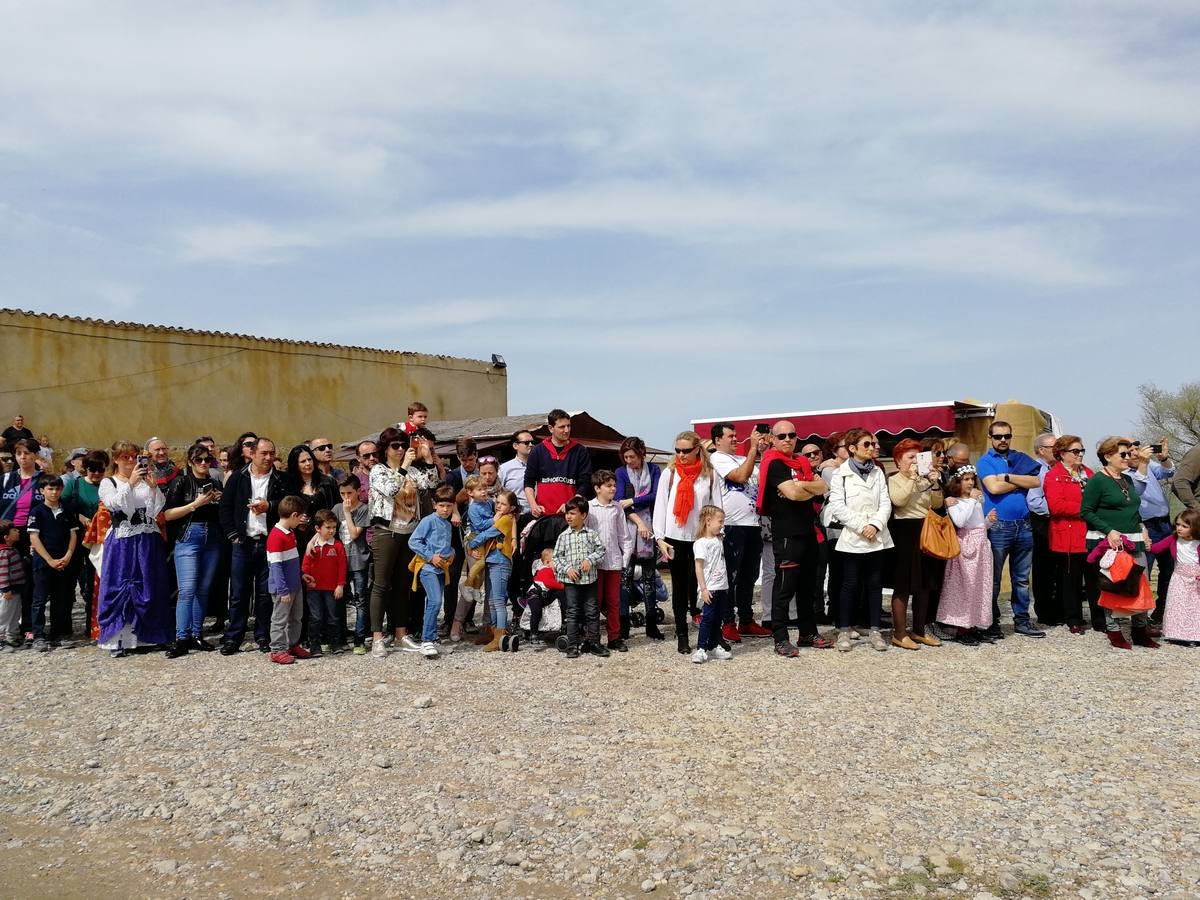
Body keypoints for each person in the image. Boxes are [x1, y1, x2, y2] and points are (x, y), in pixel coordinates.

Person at [756, 421, 831, 657]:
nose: (787, 439)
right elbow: (795, 493)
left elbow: (824, 486)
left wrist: (800, 484)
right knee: (785, 587)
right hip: (787, 533)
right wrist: (803, 487)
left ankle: (808, 633)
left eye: (792, 435)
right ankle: (780, 638)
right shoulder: (774, 462)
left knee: (807, 587)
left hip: (808, 531)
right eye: (782, 436)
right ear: (774, 439)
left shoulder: (801, 462)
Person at [1081, 436, 1158, 650]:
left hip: (1134, 540)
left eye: (1129, 453)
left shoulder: (1127, 479)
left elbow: (1133, 509)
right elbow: (1085, 511)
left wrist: (1143, 530)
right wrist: (1109, 531)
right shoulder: (1097, 480)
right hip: (1111, 542)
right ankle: (1113, 631)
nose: (1128, 457)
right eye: (1122, 454)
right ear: (1108, 456)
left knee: (1140, 583)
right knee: (1114, 585)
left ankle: (1140, 631)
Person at [96, 441, 172, 657]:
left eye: (134, 456)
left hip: (147, 537)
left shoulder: (145, 481)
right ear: (116, 459)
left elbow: (157, 508)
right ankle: (118, 640)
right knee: (122, 584)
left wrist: (153, 487)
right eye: (126, 457)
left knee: (148, 583)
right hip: (123, 540)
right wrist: (129, 483)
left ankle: (148, 637)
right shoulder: (108, 482)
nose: (130, 460)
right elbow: (116, 505)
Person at [368, 427, 438, 655]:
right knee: (381, 584)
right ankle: (377, 637)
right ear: (385, 449)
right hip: (386, 532)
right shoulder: (378, 470)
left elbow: (431, 484)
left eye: (402, 445)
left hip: (409, 532)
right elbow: (390, 489)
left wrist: (427, 459)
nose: (400, 450)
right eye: (395, 446)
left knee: (402, 586)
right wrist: (404, 467)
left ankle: (400, 634)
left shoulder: (414, 471)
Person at [653, 431, 723, 654]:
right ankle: (682, 633)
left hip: (701, 538)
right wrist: (659, 537)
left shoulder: (709, 474)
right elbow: (661, 506)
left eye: (686, 450)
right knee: (681, 588)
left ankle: (713, 633)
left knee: (708, 586)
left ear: (697, 450)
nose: (681, 455)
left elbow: (717, 507)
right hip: (675, 538)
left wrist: (719, 534)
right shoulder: (671, 473)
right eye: (677, 450)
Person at [824, 428, 892, 653]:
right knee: (849, 584)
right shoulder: (839, 474)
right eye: (867, 444)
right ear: (852, 448)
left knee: (875, 584)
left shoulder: (878, 473)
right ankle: (844, 628)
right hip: (853, 536)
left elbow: (885, 503)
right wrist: (862, 526)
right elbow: (838, 506)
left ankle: (874, 630)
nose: (872, 448)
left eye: (872, 444)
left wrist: (875, 525)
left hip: (876, 536)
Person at [218, 437, 288, 655]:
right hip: (243, 543)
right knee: (239, 593)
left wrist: (271, 506)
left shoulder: (279, 478)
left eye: (272, 453)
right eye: (264, 453)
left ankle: (263, 635)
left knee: (266, 594)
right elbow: (225, 508)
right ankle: (234, 636)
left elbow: (289, 503)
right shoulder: (238, 477)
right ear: (253, 453)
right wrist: (232, 535)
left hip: (269, 543)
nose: (268, 458)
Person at [977, 421, 1045, 639]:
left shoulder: (1020, 457)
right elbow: (993, 488)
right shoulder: (986, 461)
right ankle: (991, 621)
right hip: (999, 526)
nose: (1003, 440)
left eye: (1007, 436)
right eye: (998, 436)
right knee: (994, 578)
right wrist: (1020, 481)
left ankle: (1022, 620)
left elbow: (1035, 481)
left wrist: (1007, 477)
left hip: (1024, 524)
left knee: (1022, 578)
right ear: (990, 438)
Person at [708, 422, 772, 643]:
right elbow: (740, 477)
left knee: (749, 576)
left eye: (736, 435)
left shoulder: (743, 458)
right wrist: (753, 449)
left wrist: (764, 453)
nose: (736, 439)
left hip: (753, 523)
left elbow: (762, 480)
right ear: (717, 440)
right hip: (732, 524)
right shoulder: (717, 458)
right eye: (730, 436)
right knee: (730, 576)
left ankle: (745, 619)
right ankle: (727, 622)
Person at [162, 444, 224, 657]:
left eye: (208, 460)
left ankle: (197, 634)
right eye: (199, 460)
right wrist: (195, 504)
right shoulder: (181, 482)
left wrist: (220, 501)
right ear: (190, 462)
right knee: (186, 589)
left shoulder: (214, 482)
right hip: (189, 537)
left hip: (213, 537)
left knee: (203, 589)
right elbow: (167, 514)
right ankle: (181, 637)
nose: (204, 464)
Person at [886, 438, 945, 650]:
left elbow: (936, 503)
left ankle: (919, 630)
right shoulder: (893, 479)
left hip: (925, 529)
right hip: (904, 532)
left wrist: (935, 482)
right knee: (903, 585)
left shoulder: (923, 479)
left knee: (925, 584)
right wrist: (911, 478)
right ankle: (899, 633)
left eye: (916, 457)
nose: (913, 462)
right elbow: (899, 501)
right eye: (909, 457)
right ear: (898, 461)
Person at [1043, 435, 1101, 635]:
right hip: (1068, 535)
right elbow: (1057, 506)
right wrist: (1086, 509)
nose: (1079, 455)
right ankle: (1073, 617)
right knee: (1071, 579)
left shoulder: (1089, 473)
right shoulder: (1054, 476)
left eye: (1081, 451)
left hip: (1091, 534)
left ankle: (1099, 618)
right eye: (1075, 451)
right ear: (1062, 454)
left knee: (1094, 578)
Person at [615, 437, 663, 641]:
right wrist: (639, 522)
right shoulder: (620, 472)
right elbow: (619, 500)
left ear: (641, 454)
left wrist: (633, 500)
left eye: (632, 457)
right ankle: (623, 624)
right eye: (625, 457)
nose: (628, 461)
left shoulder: (654, 471)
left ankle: (652, 623)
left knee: (649, 578)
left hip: (651, 527)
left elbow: (657, 494)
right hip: (628, 529)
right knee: (625, 578)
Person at [939, 467, 994, 644]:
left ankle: (974, 625)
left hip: (981, 547)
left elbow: (978, 524)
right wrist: (970, 501)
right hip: (967, 549)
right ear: (958, 482)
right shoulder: (955, 502)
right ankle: (962, 628)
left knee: (980, 586)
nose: (970, 482)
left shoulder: (976, 501)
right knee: (967, 587)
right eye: (966, 479)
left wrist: (988, 522)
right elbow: (960, 522)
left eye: (972, 479)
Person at [1127, 438, 1176, 627]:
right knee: (1143, 571)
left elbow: (1169, 472)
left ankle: (1163, 611)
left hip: (1164, 524)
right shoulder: (1123, 473)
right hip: (1144, 525)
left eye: (1136, 447)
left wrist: (1164, 459)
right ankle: (1141, 616)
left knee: (1169, 569)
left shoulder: (1149, 464)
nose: (1134, 451)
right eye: (1129, 449)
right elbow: (1136, 492)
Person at [406, 484, 458, 659]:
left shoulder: (448, 524)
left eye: (449, 506)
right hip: (428, 568)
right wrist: (430, 557)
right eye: (442, 506)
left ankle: (433, 638)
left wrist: (452, 554)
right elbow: (414, 542)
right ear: (434, 504)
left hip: (442, 569)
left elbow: (446, 545)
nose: (445, 510)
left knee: (434, 603)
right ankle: (426, 640)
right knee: (435, 601)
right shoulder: (428, 520)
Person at [28, 475, 80, 650]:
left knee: (61, 599)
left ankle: (60, 634)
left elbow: (73, 534)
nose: (54, 492)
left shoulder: (67, 510)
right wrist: (49, 560)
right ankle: (38, 635)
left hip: (64, 560)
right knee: (39, 600)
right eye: (50, 489)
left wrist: (68, 556)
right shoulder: (37, 512)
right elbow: (34, 537)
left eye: (57, 488)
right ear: (42, 491)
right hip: (43, 562)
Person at [553, 495, 607, 659]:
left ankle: (594, 643)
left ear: (583, 515)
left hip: (589, 580)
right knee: (573, 612)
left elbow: (601, 551)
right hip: (571, 582)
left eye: (573, 513)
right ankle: (573, 645)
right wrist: (567, 568)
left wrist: (590, 560)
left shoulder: (591, 534)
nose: (568, 516)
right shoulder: (563, 536)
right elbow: (556, 558)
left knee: (592, 611)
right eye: (567, 513)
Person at [0, 438, 44, 637]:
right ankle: (7, 628)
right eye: (19, 454)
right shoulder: (6, 480)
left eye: (27, 453)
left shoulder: (44, 480)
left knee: (29, 581)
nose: (23, 457)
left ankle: (28, 627)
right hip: (9, 535)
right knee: (7, 580)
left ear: (35, 455)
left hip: (32, 534)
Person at [467, 489, 519, 652]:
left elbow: (488, 533)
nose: (499, 506)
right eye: (498, 503)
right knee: (491, 600)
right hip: (491, 561)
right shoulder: (503, 517)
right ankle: (492, 631)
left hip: (500, 563)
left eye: (504, 504)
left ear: (511, 508)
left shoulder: (505, 520)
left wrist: (471, 544)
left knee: (498, 601)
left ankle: (500, 635)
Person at [586, 470, 632, 653]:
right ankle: (593, 638)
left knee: (614, 601)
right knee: (594, 602)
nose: (613, 488)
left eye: (614, 485)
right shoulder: (589, 508)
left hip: (613, 562)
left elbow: (624, 536)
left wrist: (625, 559)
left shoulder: (617, 508)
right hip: (594, 564)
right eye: (609, 485)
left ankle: (614, 637)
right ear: (597, 488)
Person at [266, 496, 314, 665]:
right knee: (280, 619)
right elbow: (276, 566)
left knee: (296, 617)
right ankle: (277, 649)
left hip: (295, 584)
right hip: (284, 588)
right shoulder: (276, 536)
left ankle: (292, 644)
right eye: (300, 516)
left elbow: (292, 560)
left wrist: (301, 574)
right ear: (294, 515)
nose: (301, 520)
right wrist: (283, 590)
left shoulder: (290, 533)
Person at [1025, 433, 1063, 627]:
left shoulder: (1059, 468)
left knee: (1059, 567)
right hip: (1042, 522)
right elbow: (1034, 501)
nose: (1058, 451)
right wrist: (1059, 508)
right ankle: (1046, 612)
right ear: (1041, 450)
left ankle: (1060, 608)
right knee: (1044, 567)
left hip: (1059, 522)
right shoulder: (1036, 469)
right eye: (1054, 448)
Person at [524, 409, 592, 517]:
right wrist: (533, 506)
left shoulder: (580, 451)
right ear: (551, 428)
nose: (566, 430)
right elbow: (528, 482)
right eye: (562, 427)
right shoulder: (537, 451)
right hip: (543, 516)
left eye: (568, 426)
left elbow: (585, 482)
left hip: (571, 516)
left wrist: (572, 505)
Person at [333, 475, 371, 654]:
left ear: (358, 491)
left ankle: (359, 639)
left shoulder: (363, 509)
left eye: (349, 492)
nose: (346, 497)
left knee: (361, 600)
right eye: (342, 493)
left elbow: (355, 534)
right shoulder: (336, 508)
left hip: (358, 560)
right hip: (340, 562)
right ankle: (339, 637)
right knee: (339, 600)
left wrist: (348, 513)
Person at [692, 505, 734, 664]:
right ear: (708, 521)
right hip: (710, 588)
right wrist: (703, 588)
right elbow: (699, 567)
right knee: (707, 618)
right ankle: (701, 648)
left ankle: (714, 644)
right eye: (720, 521)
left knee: (718, 619)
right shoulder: (701, 543)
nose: (722, 524)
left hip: (722, 586)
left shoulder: (719, 539)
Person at [1151, 510, 1200, 645]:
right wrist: (1144, 543)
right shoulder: (1174, 539)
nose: (1179, 528)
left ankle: (1195, 635)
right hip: (1179, 577)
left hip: (1195, 580)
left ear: (1195, 527)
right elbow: (1156, 548)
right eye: (1178, 524)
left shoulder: (1198, 543)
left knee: (1194, 607)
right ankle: (1176, 633)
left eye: (1184, 526)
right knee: (1176, 605)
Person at [301, 509, 347, 655]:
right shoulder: (312, 547)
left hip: (332, 588)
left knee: (333, 617)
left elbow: (342, 567)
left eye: (334, 527)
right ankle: (315, 646)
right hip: (314, 589)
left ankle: (336, 644)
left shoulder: (338, 546)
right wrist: (305, 577)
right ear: (317, 529)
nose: (332, 530)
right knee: (316, 617)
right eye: (328, 527)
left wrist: (340, 585)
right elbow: (305, 565)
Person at [0, 520, 25, 648]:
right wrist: (5, 589)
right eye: (14, 530)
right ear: (6, 537)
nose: (18, 531)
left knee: (15, 614)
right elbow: (2, 572)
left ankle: (12, 636)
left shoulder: (12, 549)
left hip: (16, 589)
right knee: (4, 614)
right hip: (8, 591)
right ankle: (1, 638)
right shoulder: (4, 552)